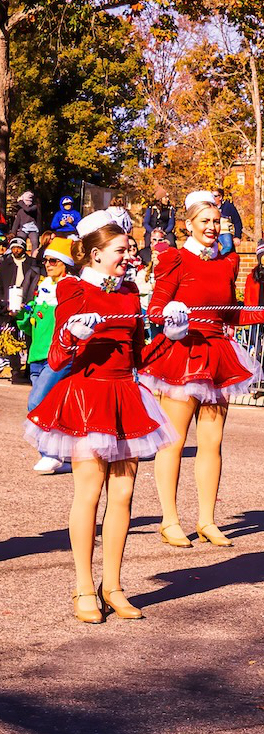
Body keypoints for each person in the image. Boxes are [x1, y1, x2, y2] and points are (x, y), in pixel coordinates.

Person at [25, 212, 174, 623]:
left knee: (123, 495)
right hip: (87, 397)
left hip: (126, 396)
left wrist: (169, 334)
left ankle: (114, 585)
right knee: (89, 494)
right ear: (95, 254)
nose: (129, 256)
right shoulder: (73, 288)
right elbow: (57, 356)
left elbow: (139, 355)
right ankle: (83, 587)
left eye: (129, 249)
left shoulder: (128, 292)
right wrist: (74, 334)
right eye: (121, 250)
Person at [141, 191, 264, 548]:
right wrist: (172, 316)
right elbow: (155, 311)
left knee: (213, 443)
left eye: (215, 220)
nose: (211, 226)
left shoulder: (229, 262)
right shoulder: (175, 259)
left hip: (218, 354)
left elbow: (230, 312)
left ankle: (206, 519)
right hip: (182, 353)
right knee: (173, 442)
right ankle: (169, 519)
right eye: (204, 220)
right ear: (188, 224)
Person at [17, 235, 76, 474]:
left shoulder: (70, 288)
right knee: (56, 407)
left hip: (58, 356)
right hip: (37, 354)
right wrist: (22, 314)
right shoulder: (43, 288)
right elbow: (30, 326)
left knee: (36, 402)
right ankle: (64, 455)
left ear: (66, 264)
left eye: (54, 260)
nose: (48, 264)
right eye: (47, 260)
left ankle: (49, 454)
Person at [1, 232, 42, 380]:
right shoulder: (5, 264)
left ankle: (30, 369)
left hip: (27, 303)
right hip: (8, 304)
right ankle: (15, 369)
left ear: (23, 248)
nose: (16, 250)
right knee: (10, 336)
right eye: (14, 248)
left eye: (19, 248)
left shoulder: (32, 264)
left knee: (29, 337)